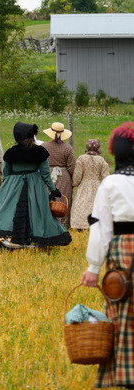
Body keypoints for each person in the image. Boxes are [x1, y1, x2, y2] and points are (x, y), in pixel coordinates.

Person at [80, 121, 134, 388]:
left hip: (124, 255)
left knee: (122, 315)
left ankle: (126, 375)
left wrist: (93, 267)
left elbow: (101, 228)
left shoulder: (111, 184)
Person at [0, 122, 72, 248]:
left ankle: (7, 237)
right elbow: (46, 174)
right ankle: (35, 238)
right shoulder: (40, 152)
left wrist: (5, 190)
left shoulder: (11, 152)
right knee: (37, 212)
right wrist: (53, 190)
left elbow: (6, 173)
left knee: (6, 210)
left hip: (13, 185)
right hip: (35, 185)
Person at [42, 122, 76, 228]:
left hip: (48, 175)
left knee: (47, 198)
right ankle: (63, 223)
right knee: (63, 198)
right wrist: (71, 178)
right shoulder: (68, 148)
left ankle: (46, 222)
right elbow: (71, 166)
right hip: (64, 176)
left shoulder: (44, 146)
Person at [71, 139, 110, 229]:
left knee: (82, 204)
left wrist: (74, 183)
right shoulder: (101, 160)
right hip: (97, 185)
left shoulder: (81, 158)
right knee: (95, 204)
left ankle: (80, 224)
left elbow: (77, 176)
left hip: (84, 185)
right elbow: (106, 177)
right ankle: (96, 224)